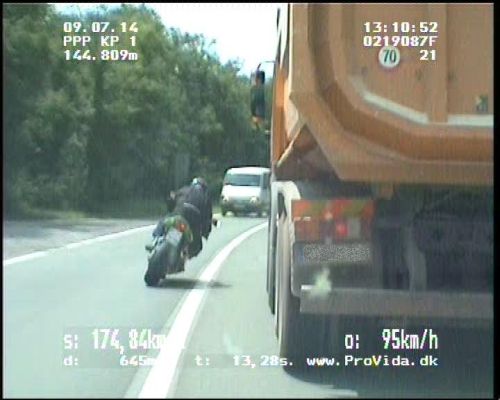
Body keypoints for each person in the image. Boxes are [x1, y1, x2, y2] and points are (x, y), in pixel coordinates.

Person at [149, 177, 213, 259]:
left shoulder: (184, 189)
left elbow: (171, 199)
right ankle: (185, 255)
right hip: (194, 219)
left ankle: (155, 240)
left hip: (180, 212)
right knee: (197, 246)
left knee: (164, 221)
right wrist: (205, 232)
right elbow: (207, 218)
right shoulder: (206, 196)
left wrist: (171, 209)